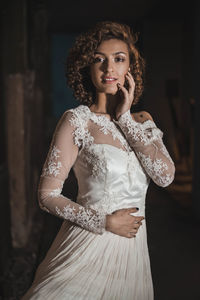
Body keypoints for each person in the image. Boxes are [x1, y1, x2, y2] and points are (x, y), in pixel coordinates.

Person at [22, 21, 175, 300]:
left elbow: (165, 176)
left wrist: (124, 119)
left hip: (132, 259)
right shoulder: (77, 121)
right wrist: (104, 222)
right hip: (87, 247)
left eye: (119, 59)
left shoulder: (143, 122)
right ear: (86, 67)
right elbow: (46, 195)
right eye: (99, 60)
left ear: (130, 68)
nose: (109, 69)